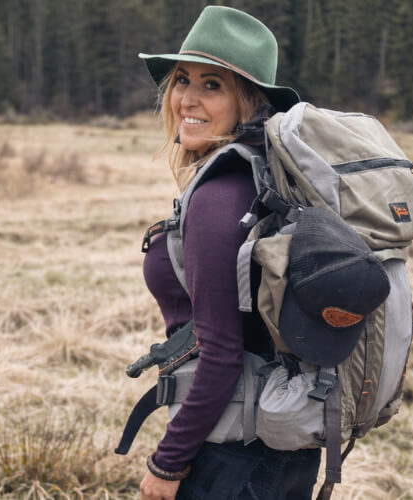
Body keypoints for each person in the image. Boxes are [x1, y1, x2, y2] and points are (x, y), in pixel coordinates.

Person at [136, 6, 321, 500]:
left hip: (232, 453)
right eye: (182, 79)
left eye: (212, 85)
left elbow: (220, 354)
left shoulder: (221, 196)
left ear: (248, 101)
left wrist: (167, 464)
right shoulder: (266, 179)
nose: (187, 99)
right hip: (282, 441)